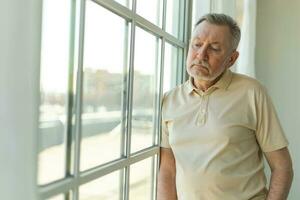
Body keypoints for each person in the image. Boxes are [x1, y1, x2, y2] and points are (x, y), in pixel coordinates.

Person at [157, 13, 293, 200]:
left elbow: (282, 167)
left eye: (214, 48)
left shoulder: (252, 92)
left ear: (231, 59)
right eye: (197, 44)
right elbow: (167, 169)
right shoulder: (170, 99)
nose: (201, 55)